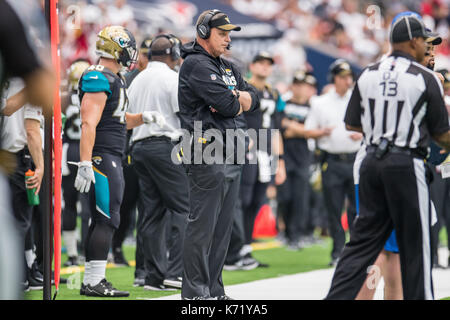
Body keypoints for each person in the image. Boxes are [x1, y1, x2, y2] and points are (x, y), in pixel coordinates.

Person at [325, 14, 450, 300]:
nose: (429, 52)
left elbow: (352, 123)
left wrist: (384, 128)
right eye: (425, 44)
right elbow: (442, 134)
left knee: (362, 246)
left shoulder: (368, 72)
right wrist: (404, 127)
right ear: (414, 41)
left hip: (369, 162)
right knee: (415, 247)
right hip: (405, 163)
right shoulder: (426, 78)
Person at [178, 9, 259, 300]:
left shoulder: (227, 67)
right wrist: (236, 98)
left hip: (231, 151)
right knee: (202, 226)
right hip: (205, 151)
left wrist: (237, 99)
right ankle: (195, 292)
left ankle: (214, 289)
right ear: (203, 33)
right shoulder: (196, 65)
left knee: (222, 229)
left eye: (229, 34)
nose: (227, 39)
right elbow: (227, 104)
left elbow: (256, 98)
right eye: (221, 34)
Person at [75, 25, 160, 298]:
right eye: (126, 48)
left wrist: (143, 118)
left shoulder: (114, 78)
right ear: (115, 47)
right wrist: (86, 162)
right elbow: (89, 121)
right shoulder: (98, 76)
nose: (130, 55)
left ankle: (92, 280)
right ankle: (94, 281)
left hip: (111, 154)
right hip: (102, 156)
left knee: (105, 218)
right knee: (107, 218)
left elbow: (117, 120)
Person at [128, 33, 189, 291]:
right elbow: (182, 114)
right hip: (164, 146)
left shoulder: (138, 79)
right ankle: (175, 272)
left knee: (151, 213)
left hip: (139, 147)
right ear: (173, 55)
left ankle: (152, 276)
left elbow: (127, 115)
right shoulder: (171, 78)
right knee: (185, 208)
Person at [225, 51, 286, 270]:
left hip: (266, 151)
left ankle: (246, 248)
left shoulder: (274, 94)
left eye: (268, 64)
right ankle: (233, 251)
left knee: (257, 201)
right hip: (249, 147)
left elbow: (277, 129)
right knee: (241, 199)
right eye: (260, 63)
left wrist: (280, 160)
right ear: (253, 65)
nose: (265, 67)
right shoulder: (244, 89)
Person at [304, 59, 362, 266]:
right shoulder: (320, 102)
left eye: (349, 77)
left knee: (356, 209)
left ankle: (356, 251)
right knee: (333, 208)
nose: (348, 81)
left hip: (355, 160)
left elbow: (371, 126)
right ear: (335, 78)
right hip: (332, 161)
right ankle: (337, 251)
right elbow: (308, 130)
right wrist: (321, 132)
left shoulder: (358, 99)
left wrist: (362, 132)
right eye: (343, 77)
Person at [112, 36, 153, 270]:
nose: (146, 59)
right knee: (125, 203)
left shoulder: (156, 77)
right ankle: (116, 247)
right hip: (128, 147)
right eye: (144, 54)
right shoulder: (128, 79)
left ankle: (144, 258)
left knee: (147, 206)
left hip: (147, 145)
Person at [277, 70, 318, 249]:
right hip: (284, 155)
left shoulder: (313, 107)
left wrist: (292, 127)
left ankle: (296, 234)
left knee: (301, 197)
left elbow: (313, 130)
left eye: (304, 85)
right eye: (297, 84)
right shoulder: (283, 104)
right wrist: (304, 130)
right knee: (284, 196)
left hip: (303, 156)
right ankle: (285, 232)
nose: (300, 88)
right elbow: (280, 127)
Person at [61, 59, 91, 267]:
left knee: (69, 204)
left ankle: (72, 253)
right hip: (83, 151)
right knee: (87, 204)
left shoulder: (62, 100)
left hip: (66, 152)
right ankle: (87, 251)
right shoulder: (89, 98)